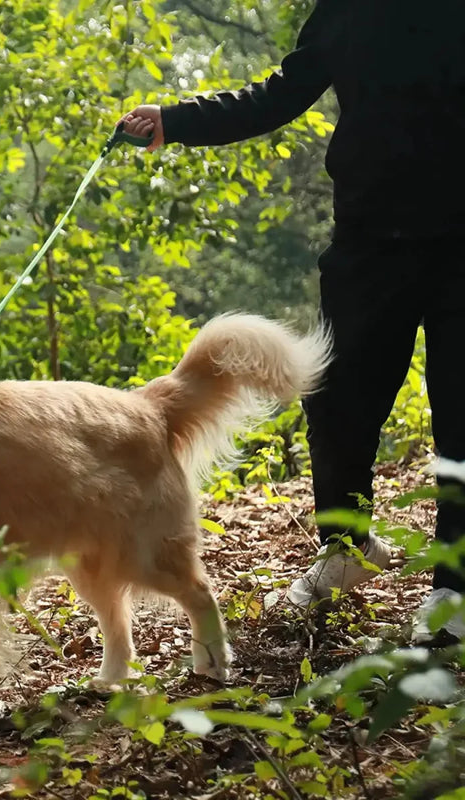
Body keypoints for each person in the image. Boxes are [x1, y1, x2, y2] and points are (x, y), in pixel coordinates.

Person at [120, 0, 465, 645]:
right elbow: (284, 91)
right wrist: (175, 120)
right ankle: (345, 551)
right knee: (336, 403)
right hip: (369, 244)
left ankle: (456, 585)